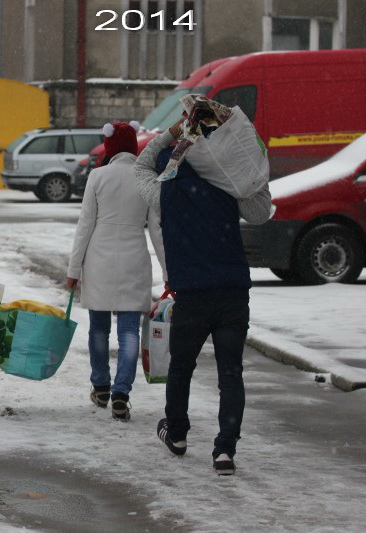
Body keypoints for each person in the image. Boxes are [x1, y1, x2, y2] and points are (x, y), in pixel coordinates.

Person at [134, 96, 272, 475]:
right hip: (231, 291)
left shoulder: (165, 190)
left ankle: (176, 433)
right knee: (231, 372)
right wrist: (253, 173)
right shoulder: (226, 182)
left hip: (192, 294)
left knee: (181, 367)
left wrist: (170, 134)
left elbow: (140, 165)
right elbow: (262, 213)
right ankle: (225, 450)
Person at [67, 121, 167, 422]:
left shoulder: (98, 176)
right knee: (128, 331)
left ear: (109, 146)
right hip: (134, 258)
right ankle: (122, 392)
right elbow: (157, 230)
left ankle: (100, 386)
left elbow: (85, 226)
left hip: (98, 258)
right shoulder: (145, 178)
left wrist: (74, 269)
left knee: (98, 328)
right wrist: (169, 270)